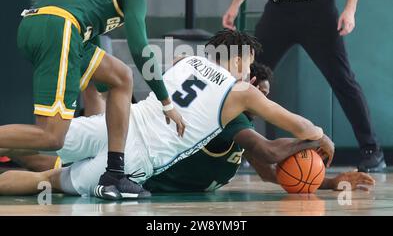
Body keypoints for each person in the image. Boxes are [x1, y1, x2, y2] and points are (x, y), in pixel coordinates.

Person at [0, 30, 332, 199]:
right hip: (137, 158)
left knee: (42, 139)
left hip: (117, 124)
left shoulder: (184, 61)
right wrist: (318, 136)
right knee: (46, 180)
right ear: (236, 59)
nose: (247, 72)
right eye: (246, 64)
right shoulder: (241, 92)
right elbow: (293, 132)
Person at [0, 0, 185, 200]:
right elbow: (141, 49)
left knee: (121, 77)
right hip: (59, 27)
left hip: (49, 25)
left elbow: (94, 45)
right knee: (52, 137)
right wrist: (166, 103)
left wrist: (102, 88)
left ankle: (115, 173)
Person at [222, 0, 385, 172]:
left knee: (343, 79)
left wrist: (349, 10)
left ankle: (371, 149)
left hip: (319, 12)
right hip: (279, 10)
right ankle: (238, 148)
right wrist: (235, 4)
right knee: (248, 77)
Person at [144, 63, 374, 193]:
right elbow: (269, 151)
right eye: (261, 94)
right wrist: (318, 139)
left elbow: (269, 172)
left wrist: (331, 183)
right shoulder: (229, 115)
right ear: (250, 86)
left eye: (266, 96)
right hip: (160, 192)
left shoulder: (244, 126)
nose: (263, 101)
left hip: (182, 196)